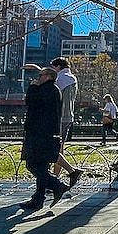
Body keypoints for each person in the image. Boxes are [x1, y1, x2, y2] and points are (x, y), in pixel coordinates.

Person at [19, 66, 70, 211]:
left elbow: (30, 102)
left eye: (40, 75)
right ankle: (38, 198)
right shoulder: (54, 90)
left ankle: (57, 185)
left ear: (48, 76)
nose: (38, 78)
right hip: (47, 133)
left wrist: (32, 87)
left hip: (39, 134)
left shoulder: (44, 90)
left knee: (33, 164)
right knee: (42, 166)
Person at [49, 57, 83, 188]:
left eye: (53, 68)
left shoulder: (61, 79)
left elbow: (51, 94)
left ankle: (61, 176)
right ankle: (56, 178)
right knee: (60, 147)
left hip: (59, 117)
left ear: (58, 67)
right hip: (68, 116)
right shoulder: (72, 78)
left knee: (55, 148)